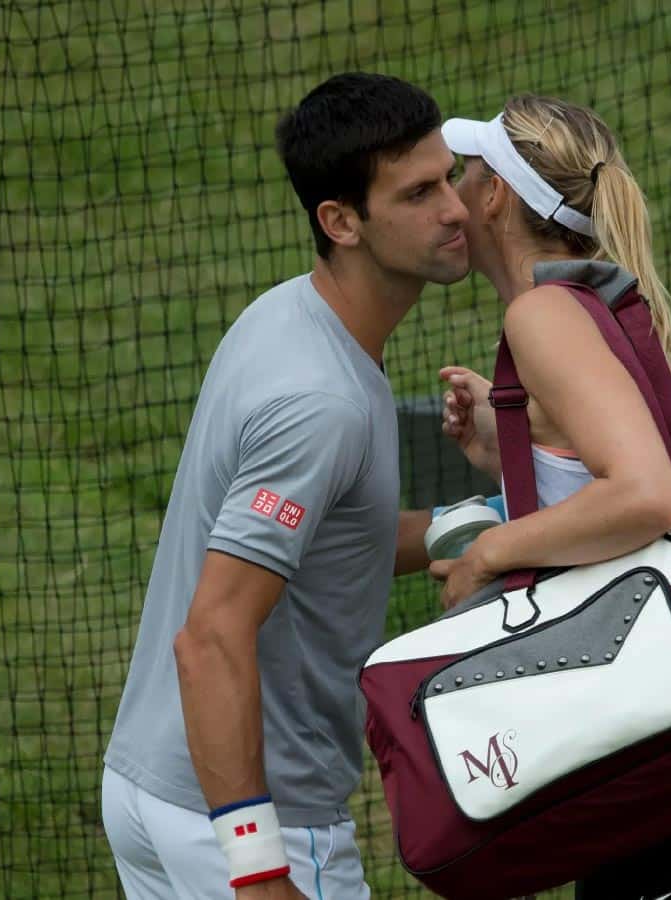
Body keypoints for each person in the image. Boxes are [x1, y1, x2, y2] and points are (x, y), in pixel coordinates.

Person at [425, 94, 671, 899]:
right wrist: (513, 462)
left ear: (497, 194)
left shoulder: (543, 316)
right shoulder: (610, 313)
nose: (451, 193)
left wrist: (487, 554)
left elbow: (647, 497)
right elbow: (644, 491)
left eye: (463, 173)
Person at [100, 72, 470, 900]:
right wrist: (259, 870)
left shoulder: (289, 314)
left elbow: (337, 537)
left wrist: (487, 523)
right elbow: (213, 637)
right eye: (418, 192)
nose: (455, 208)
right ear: (340, 222)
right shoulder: (321, 404)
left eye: (449, 175)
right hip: (247, 820)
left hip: (151, 789)